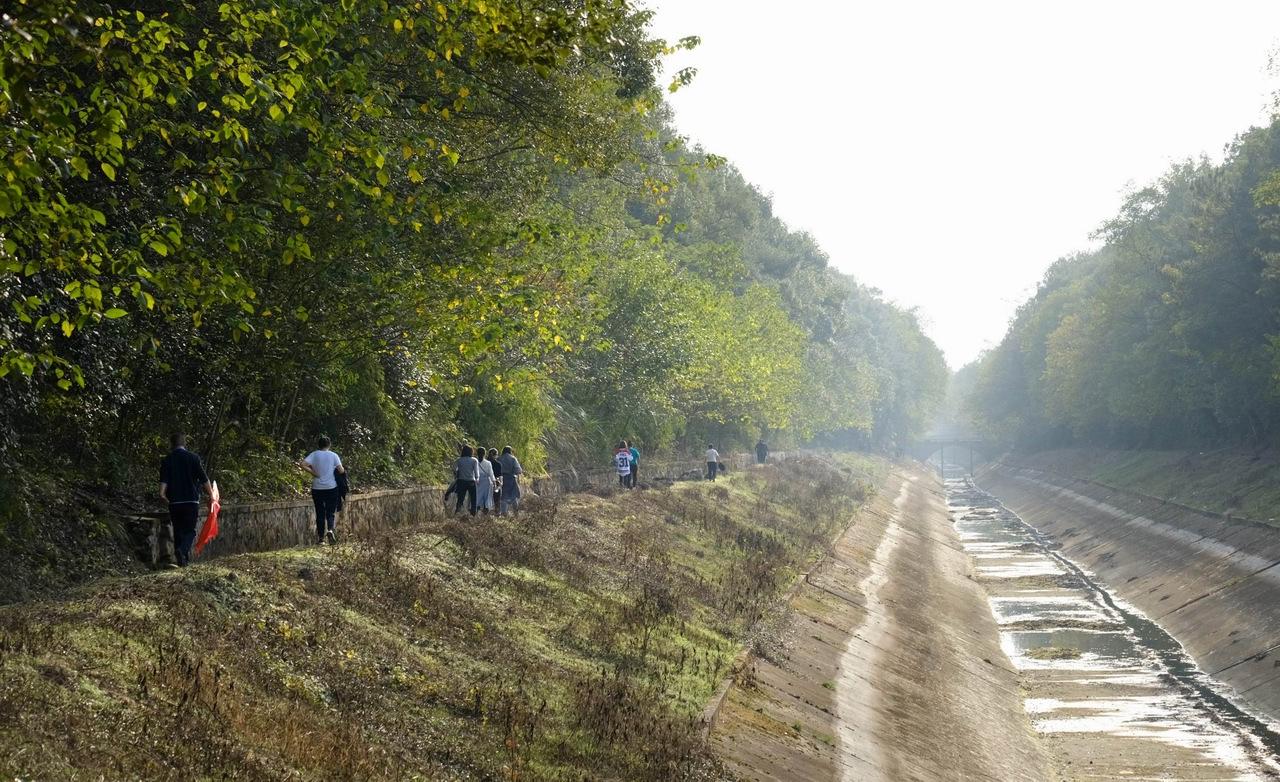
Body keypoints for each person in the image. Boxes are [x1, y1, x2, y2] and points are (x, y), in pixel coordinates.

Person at [159, 432, 215, 568]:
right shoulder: (193, 458)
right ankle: (181, 551)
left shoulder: (167, 460)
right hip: (191, 501)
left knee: (178, 531)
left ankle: (182, 562)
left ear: (171, 444)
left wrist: (162, 494)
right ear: (184, 443)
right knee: (190, 531)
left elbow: (164, 480)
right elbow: (204, 479)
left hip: (175, 502)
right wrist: (212, 495)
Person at [300, 435, 345, 545]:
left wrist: (314, 473)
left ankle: (321, 539)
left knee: (320, 512)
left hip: (317, 488)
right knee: (330, 512)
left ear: (319, 445)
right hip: (331, 488)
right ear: (329, 445)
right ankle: (330, 530)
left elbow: (302, 464)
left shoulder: (314, 454)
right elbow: (341, 470)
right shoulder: (333, 455)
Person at [453, 445, 480, 516]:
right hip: (471, 481)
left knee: (460, 498)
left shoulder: (459, 460)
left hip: (461, 481)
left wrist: (457, 474)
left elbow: (454, 468)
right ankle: (473, 514)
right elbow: (476, 473)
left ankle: (457, 512)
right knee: (473, 499)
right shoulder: (474, 460)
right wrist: (477, 479)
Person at [498, 445, 523, 515]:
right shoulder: (513, 459)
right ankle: (516, 512)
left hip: (501, 479)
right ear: (510, 451)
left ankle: (504, 513)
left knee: (503, 496)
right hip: (511, 479)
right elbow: (519, 470)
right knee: (514, 495)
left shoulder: (499, 458)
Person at [476, 446, 496, 514]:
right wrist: (494, 482)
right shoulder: (488, 463)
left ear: (477, 453)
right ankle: (485, 515)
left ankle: (476, 515)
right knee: (486, 498)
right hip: (486, 482)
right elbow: (491, 473)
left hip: (477, 481)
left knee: (477, 498)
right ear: (484, 454)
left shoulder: (474, 461)